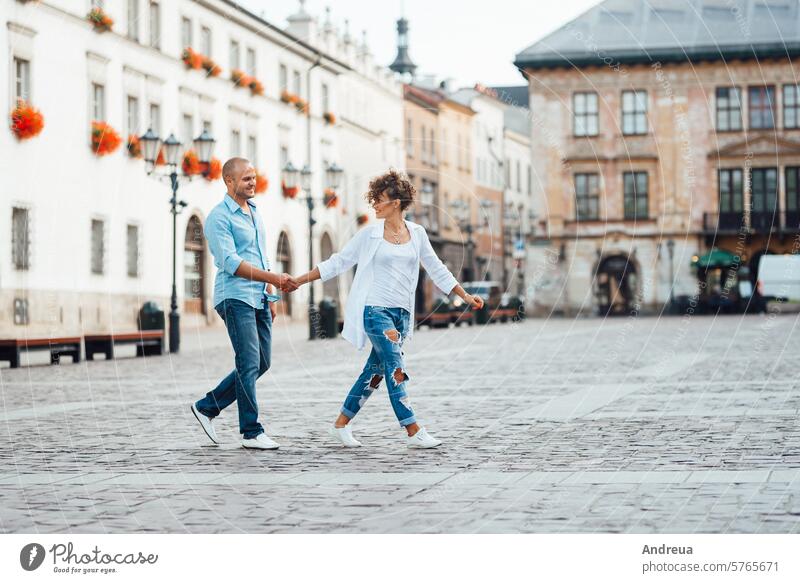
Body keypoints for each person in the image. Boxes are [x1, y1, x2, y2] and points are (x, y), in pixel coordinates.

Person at [293, 170, 483, 448]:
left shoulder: (417, 234)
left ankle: (340, 425)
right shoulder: (369, 235)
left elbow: (436, 267)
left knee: (375, 371)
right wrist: (298, 280)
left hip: (402, 315)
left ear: (396, 202)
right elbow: (338, 262)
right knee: (396, 366)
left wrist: (464, 295)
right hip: (375, 311)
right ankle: (413, 429)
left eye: (379, 199)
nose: (374, 205)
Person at [190, 157, 298, 450]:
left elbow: (260, 255)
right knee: (248, 361)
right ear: (229, 181)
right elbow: (231, 263)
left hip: (259, 297)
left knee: (262, 362)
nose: (252, 182)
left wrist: (269, 293)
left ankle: (207, 407)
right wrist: (275, 278)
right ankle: (251, 431)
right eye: (246, 178)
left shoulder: (254, 212)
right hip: (234, 297)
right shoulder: (218, 217)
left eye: (254, 177)